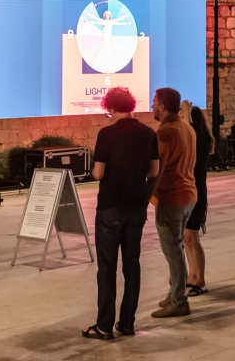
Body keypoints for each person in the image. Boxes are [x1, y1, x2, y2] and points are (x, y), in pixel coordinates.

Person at [84, 88, 159, 341]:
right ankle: (127, 323)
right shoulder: (148, 133)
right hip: (136, 206)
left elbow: (99, 173)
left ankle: (104, 325)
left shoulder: (107, 133)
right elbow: (153, 170)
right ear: (131, 105)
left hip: (110, 207)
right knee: (132, 267)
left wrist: (94, 172)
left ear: (110, 107)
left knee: (106, 268)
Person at [150, 88, 197, 319]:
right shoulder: (187, 127)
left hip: (171, 198)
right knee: (176, 249)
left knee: (173, 252)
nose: (151, 106)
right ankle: (173, 293)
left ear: (161, 106)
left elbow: (157, 169)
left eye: (153, 102)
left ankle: (179, 301)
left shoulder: (165, 133)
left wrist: (146, 194)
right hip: (189, 196)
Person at [184, 105, 214, 298]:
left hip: (196, 192)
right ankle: (191, 275)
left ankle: (200, 280)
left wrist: (185, 114)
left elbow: (188, 134)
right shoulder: (202, 136)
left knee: (192, 237)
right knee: (187, 237)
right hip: (190, 191)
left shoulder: (200, 138)